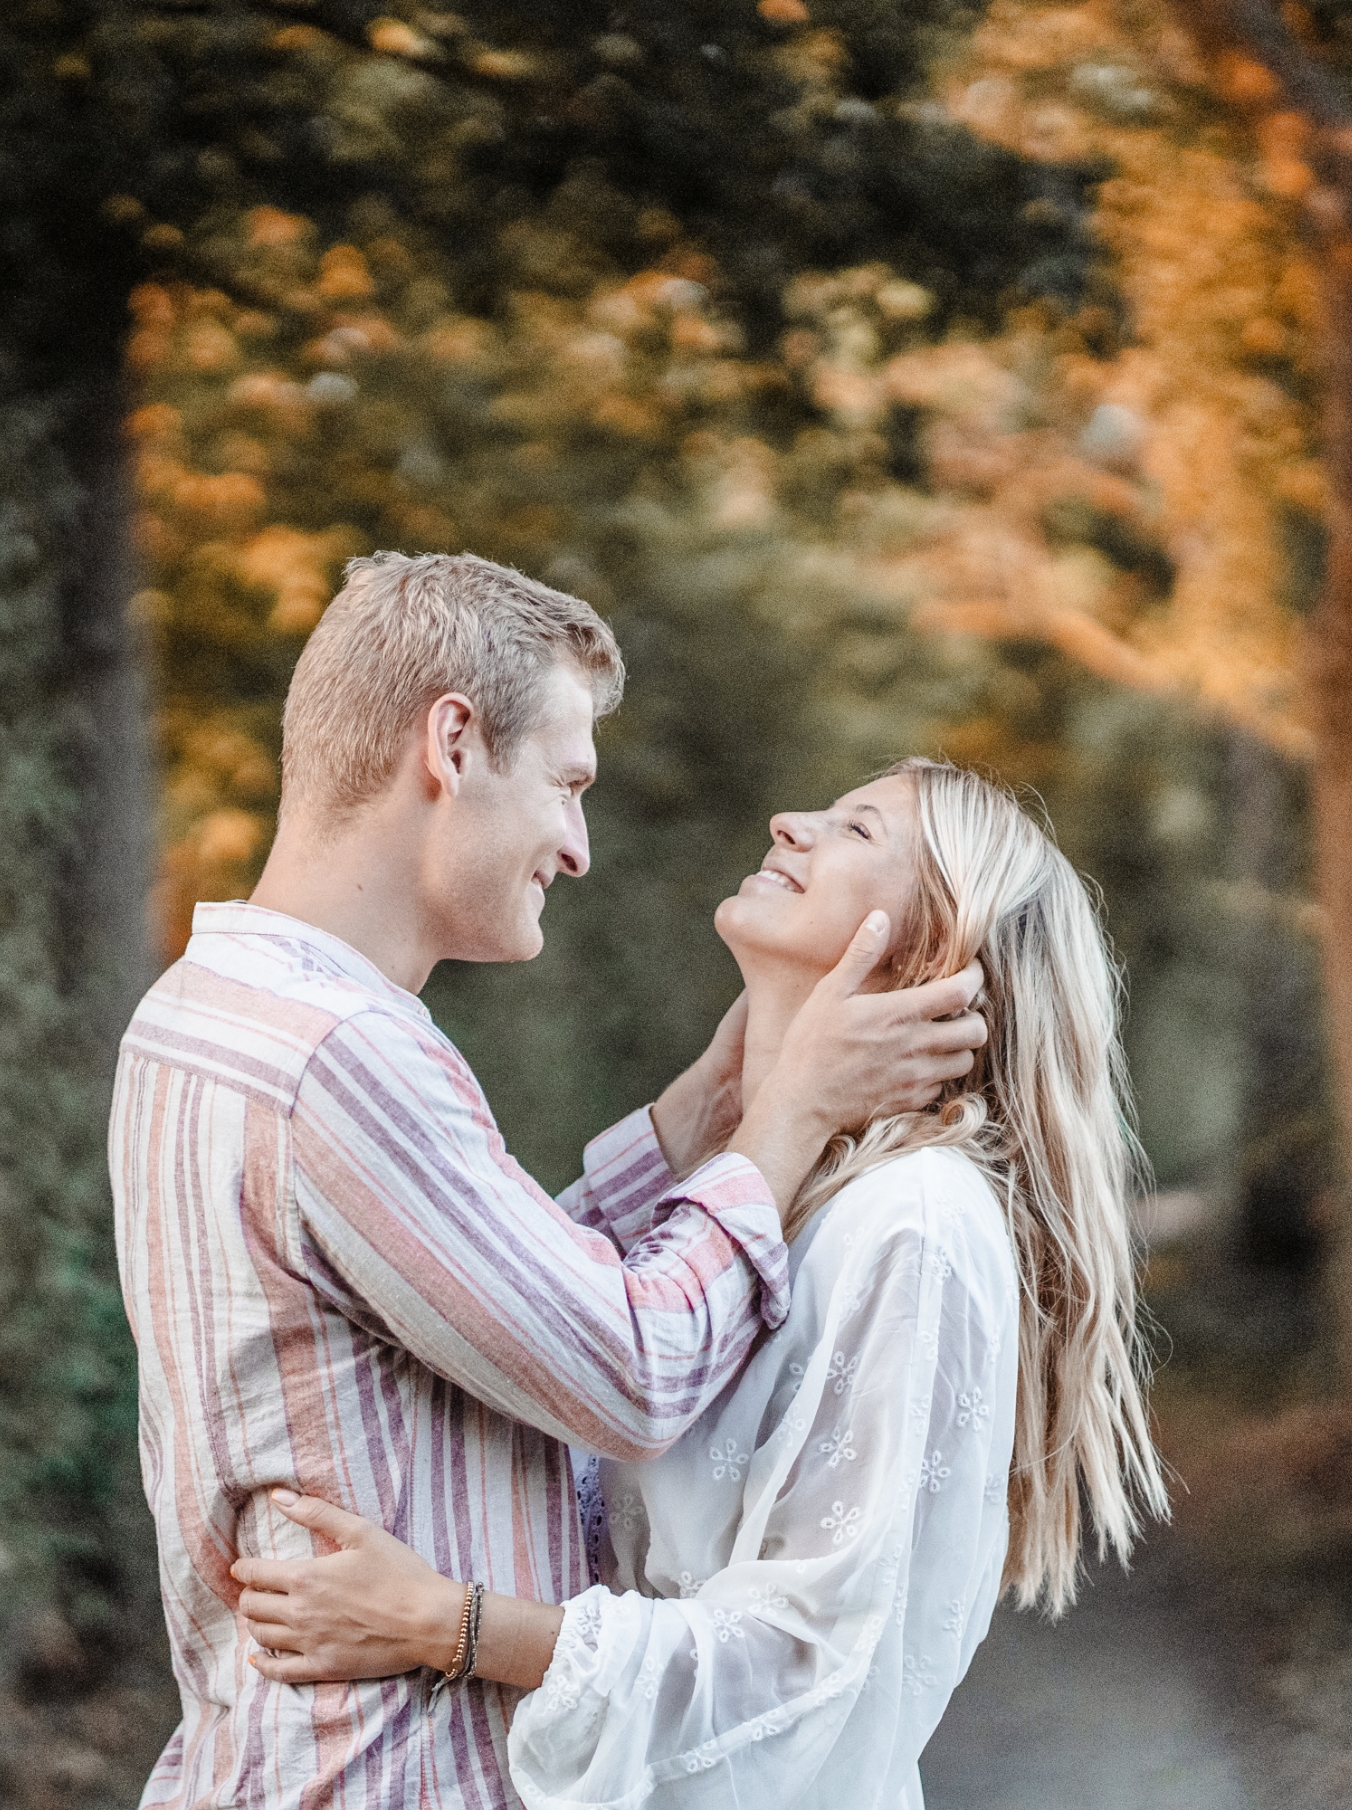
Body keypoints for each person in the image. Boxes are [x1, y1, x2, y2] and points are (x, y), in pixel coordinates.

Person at [110, 553, 987, 1810]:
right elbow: (624, 1371)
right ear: (452, 744)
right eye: (567, 786)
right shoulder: (340, 1057)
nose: (575, 849)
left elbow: (485, 1303)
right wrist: (790, 1116)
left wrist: (714, 1101)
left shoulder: (210, 1011)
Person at [231, 757, 1169, 1810]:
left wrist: (447, 1623)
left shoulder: (912, 1221)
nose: (788, 817)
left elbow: (810, 1660)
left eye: (856, 830)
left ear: (931, 944)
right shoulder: (747, 1188)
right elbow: (546, 1330)